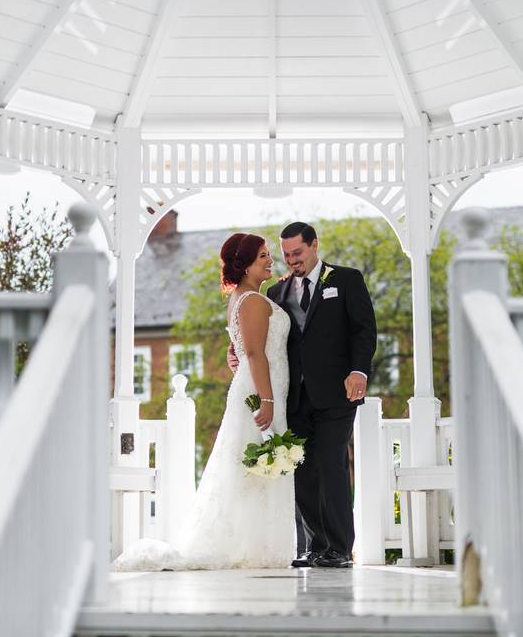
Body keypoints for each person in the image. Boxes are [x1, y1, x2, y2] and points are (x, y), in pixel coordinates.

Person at [112, 232, 294, 571]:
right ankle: (254, 547)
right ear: (244, 265)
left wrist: (238, 356)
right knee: (254, 470)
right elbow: (254, 354)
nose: (270, 261)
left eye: (269, 254)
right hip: (260, 393)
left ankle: (252, 544)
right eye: (262, 257)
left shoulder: (243, 298)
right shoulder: (252, 301)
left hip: (259, 389)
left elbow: (243, 347)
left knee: (251, 472)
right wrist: (267, 400)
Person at [231, 222, 376, 568]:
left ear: (314, 245)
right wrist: (234, 351)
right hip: (293, 395)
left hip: (337, 394)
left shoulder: (346, 279)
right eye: (286, 255)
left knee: (331, 464)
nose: (292, 260)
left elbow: (364, 329)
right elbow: (260, 340)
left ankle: (340, 548)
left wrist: (359, 370)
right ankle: (315, 546)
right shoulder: (276, 294)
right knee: (302, 469)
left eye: (298, 253)